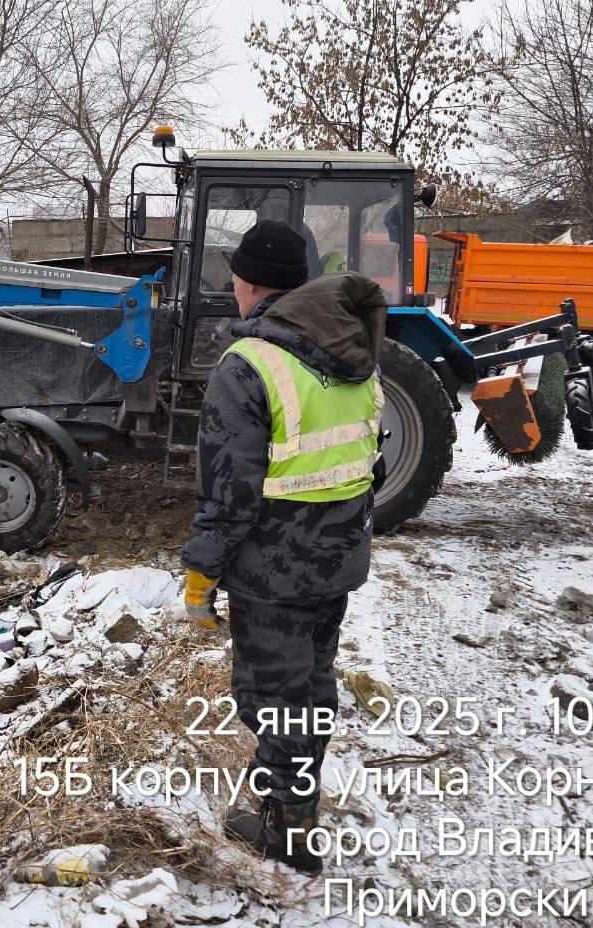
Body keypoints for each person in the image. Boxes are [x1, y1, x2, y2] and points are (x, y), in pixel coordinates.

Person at [181, 219, 387, 873]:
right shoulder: (355, 353)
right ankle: (283, 811)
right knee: (309, 690)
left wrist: (199, 575)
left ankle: (289, 834)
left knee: (275, 700)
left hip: (275, 573)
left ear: (247, 284)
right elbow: (366, 464)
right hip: (337, 562)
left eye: (235, 280)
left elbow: (229, 495)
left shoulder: (248, 366)